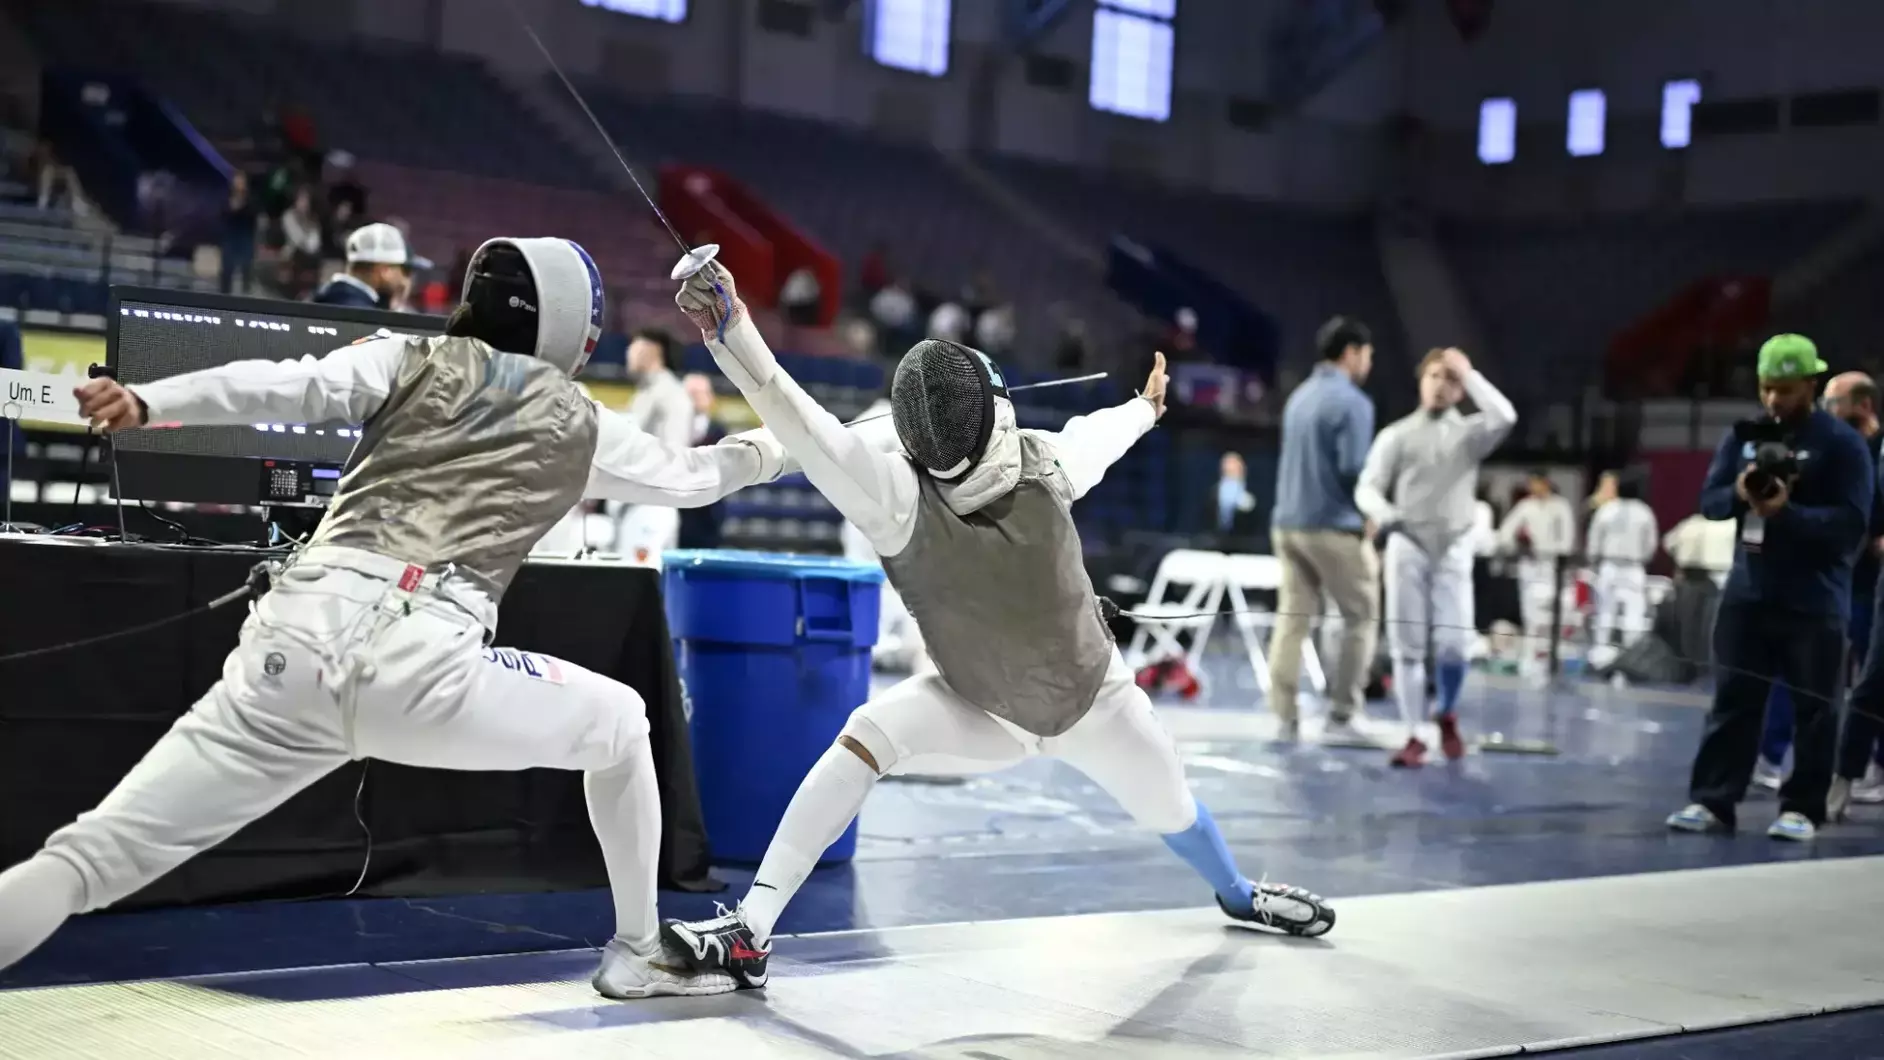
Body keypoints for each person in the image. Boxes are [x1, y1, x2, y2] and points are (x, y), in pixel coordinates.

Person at [0, 237, 792, 997]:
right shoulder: (578, 418)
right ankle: (638, 953)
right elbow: (697, 476)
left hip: (289, 648)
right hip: (421, 663)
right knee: (620, 721)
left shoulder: (406, 355)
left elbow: (285, 384)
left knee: (86, 861)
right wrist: (791, 444)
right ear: (570, 332)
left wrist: (148, 400)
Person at [658, 261, 1336, 990]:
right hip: (980, 704)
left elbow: (802, 421)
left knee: (1174, 809)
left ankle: (1238, 894)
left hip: (1095, 707)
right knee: (866, 735)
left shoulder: (900, 495)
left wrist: (731, 334)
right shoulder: (1042, 461)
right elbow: (1100, 431)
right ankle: (752, 931)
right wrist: (1146, 406)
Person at [1667, 335, 1873, 842]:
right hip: (1747, 594)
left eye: (1785, 389)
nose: (1774, 399)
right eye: (1766, 388)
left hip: (1814, 598)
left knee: (1815, 708)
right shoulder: (1744, 435)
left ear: (1811, 384)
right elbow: (1710, 501)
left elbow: (1851, 525)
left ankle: (1803, 807)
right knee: (1733, 700)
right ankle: (1713, 800)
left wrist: (1788, 513)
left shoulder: (1842, 444)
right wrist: (1739, 493)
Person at [1356, 347, 1516, 767]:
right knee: (1407, 646)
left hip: (1454, 548)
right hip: (1408, 543)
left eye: (1451, 379)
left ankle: (1445, 712)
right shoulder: (1397, 435)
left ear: (1461, 390)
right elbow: (1367, 487)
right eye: (1434, 376)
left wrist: (1471, 373)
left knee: (1454, 647)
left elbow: (1506, 416)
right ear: (1420, 380)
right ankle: (1414, 734)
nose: (1441, 385)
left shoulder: (1470, 434)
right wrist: (1386, 515)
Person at [1268, 316, 1379, 740]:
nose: (1369, 363)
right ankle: (1343, 715)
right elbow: (1354, 469)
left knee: (1292, 620)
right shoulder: (1353, 402)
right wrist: (1372, 512)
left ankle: (1284, 714)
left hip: (1288, 525)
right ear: (1352, 353)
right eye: (1367, 355)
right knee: (1360, 616)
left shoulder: (1299, 397)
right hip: (1332, 526)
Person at [614, 328, 694, 563]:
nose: (628, 353)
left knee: (639, 579)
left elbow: (674, 451)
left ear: (651, 351)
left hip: (652, 505)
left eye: (633, 347)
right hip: (639, 502)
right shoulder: (647, 392)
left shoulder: (670, 393)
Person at [1498, 471, 1576, 680]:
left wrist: (1559, 555)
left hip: (1554, 566)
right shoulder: (1526, 506)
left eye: (1536, 483)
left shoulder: (1560, 506)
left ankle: (1554, 656)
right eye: (1530, 484)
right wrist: (1516, 546)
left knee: (1557, 613)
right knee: (1530, 614)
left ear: (1546, 483)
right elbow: (1506, 532)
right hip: (1531, 565)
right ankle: (1529, 658)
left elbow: (1567, 537)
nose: (1533, 488)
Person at [1585, 471, 1659, 665]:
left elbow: (1594, 539)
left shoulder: (1607, 510)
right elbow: (1650, 543)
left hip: (1609, 565)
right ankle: (1633, 656)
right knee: (1634, 612)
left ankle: (1600, 652)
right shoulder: (1644, 512)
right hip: (1633, 567)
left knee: (1605, 610)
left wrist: (1593, 559)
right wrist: (1645, 558)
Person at [311, 222, 430, 310]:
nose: (407, 280)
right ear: (384, 270)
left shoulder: (333, 295)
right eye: (406, 271)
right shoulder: (358, 310)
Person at [675, 372, 728, 550]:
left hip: (706, 513)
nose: (695, 399)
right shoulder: (670, 429)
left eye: (700, 394)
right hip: (676, 507)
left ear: (710, 397)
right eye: (691, 394)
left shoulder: (718, 432)